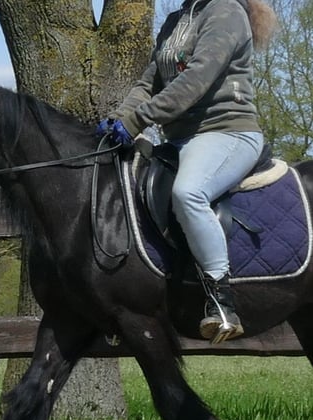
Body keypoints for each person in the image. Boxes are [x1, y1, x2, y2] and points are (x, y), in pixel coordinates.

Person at [97, 0, 277, 343]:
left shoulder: (225, 12)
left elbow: (195, 80)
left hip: (227, 132)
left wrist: (138, 120)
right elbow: (149, 83)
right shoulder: (176, 21)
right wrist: (121, 117)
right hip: (179, 140)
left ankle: (222, 302)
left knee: (188, 193)